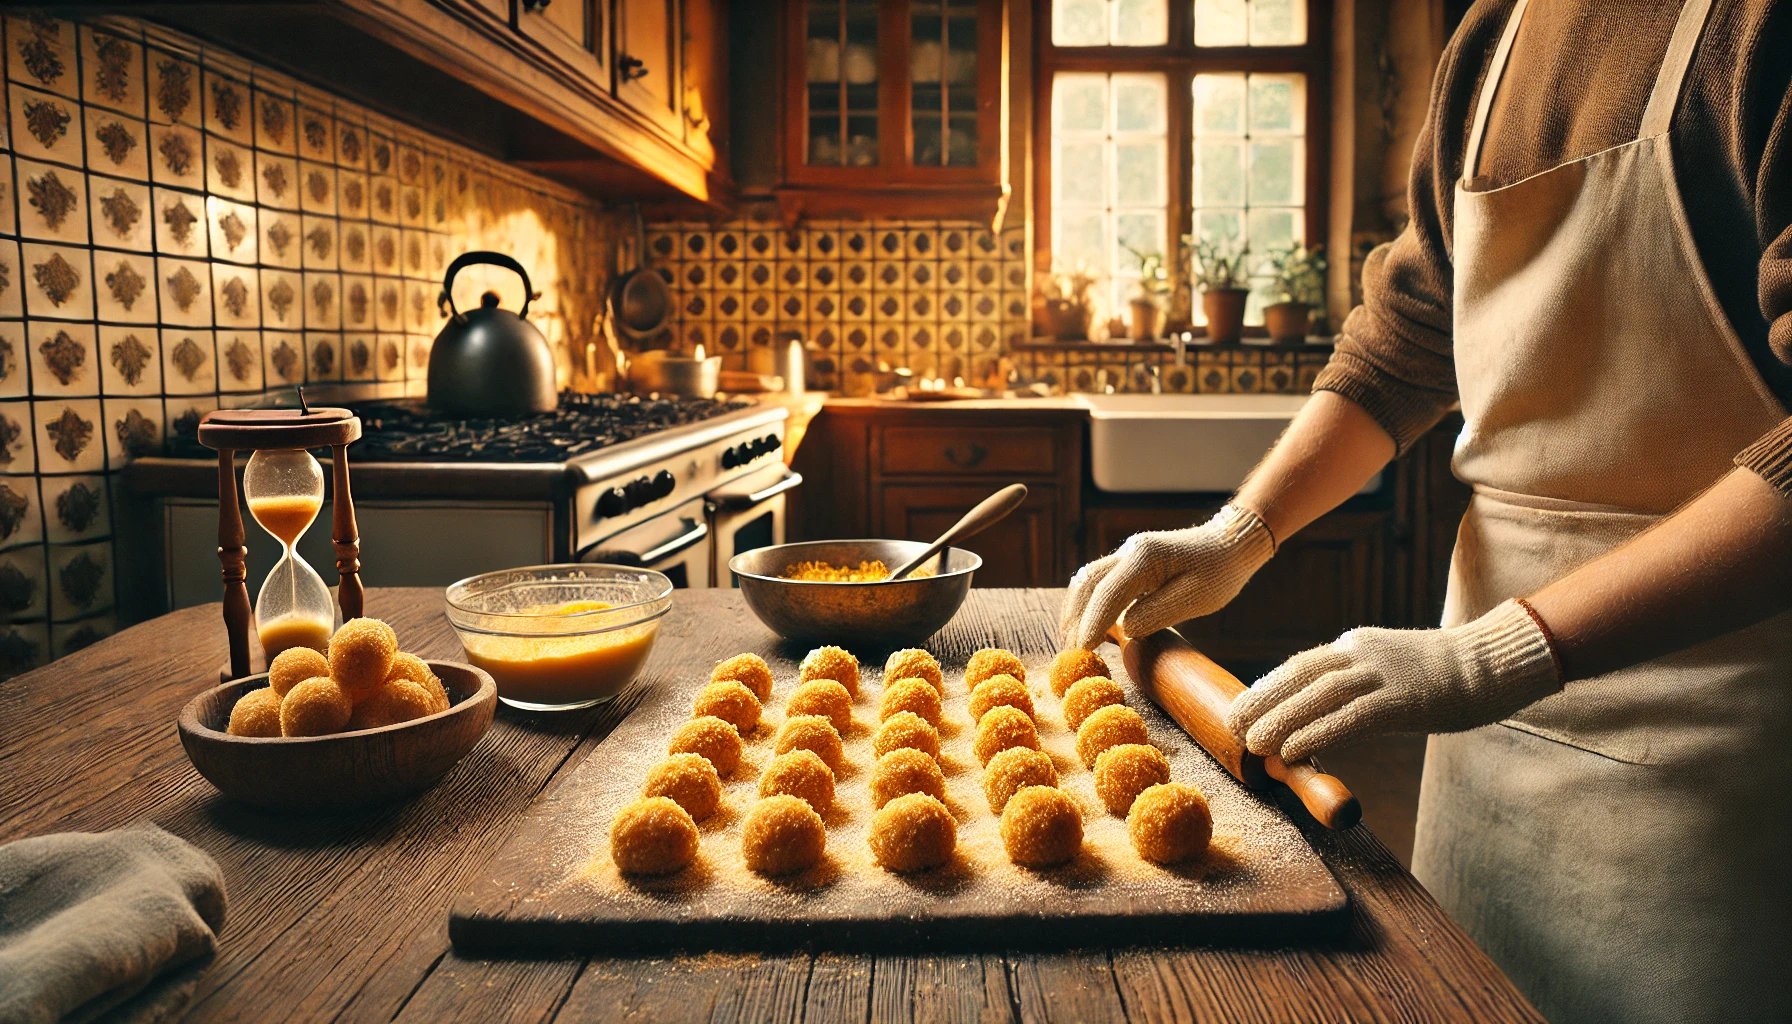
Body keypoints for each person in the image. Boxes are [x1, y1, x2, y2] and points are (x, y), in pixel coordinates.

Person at [1059, 2, 1792, 1022]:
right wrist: (1242, 531)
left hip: (1716, 745)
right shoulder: (1497, 32)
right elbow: (1406, 340)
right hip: (1481, 739)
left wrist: (1501, 651)